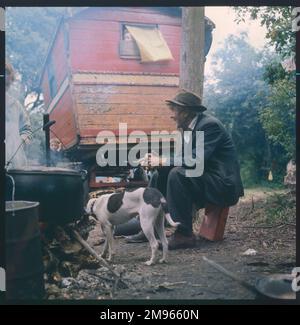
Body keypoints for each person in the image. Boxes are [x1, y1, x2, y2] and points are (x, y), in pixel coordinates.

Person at [125, 89, 244, 249]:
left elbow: (195, 160)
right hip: (206, 179)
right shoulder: (190, 128)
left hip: (222, 185)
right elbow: (182, 159)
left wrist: (162, 160)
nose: (172, 115)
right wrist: (158, 159)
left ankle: (184, 235)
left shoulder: (209, 126)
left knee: (177, 174)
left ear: (186, 112)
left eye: (174, 110)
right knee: (162, 171)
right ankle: (150, 228)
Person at [5, 62, 32, 169]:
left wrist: (21, 141)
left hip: (15, 166)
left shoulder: (15, 105)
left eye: (7, 84)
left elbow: (27, 129)